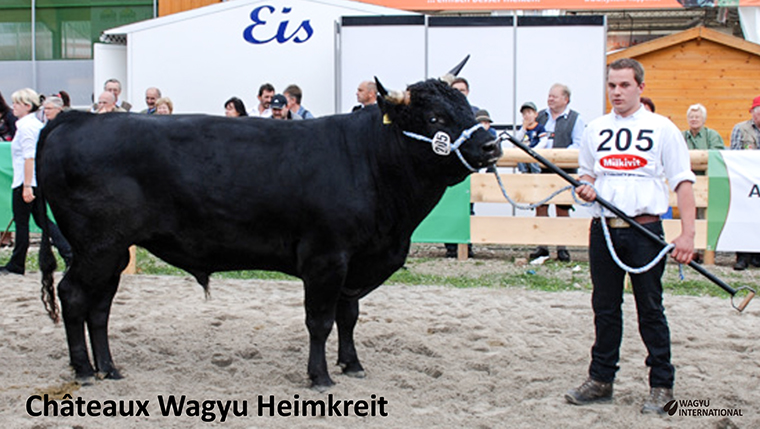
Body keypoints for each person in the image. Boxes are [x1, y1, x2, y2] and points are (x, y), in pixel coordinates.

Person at [567, 58, 696, 415]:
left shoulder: (662, 128)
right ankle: (601, 380)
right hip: (605, 230)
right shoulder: (595, 129)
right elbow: (587, 175)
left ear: (640, 87)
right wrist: (586, 189)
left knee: (650, 309)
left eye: (624, 85)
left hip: (646, 231)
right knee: (604, 307)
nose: (617, 92)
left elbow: (683, 181)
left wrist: (687, 234)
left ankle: (661, 386)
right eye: (612, 85)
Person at [0, 88, 72, 275]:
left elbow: (29, 157)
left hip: (27, 181)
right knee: (43, 221)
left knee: (25, 224)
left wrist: (26, 186)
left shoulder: (27, 127)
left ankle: (17, 263)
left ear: (27, 105)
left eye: (17, 103)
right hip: (31, 181)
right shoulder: (30, 125)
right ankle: (68, 254)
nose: (13, 106)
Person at [529, 83, 585, 262]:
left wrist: (558, 156)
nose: (550, 99)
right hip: (541, 170)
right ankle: (542, 246)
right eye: (549, 95)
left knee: (562, 208)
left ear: (566, 99)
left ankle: (562, 247)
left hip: (565, 171)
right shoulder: (541, 117)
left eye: (554, 96)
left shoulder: (576, 119)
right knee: (541, 207)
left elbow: (578, 144)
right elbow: (529, 136)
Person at [729, 95, 760, 270]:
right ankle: (742, 256)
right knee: (743, 217)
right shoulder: (740, 129)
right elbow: (734, 154)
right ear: (752, 113)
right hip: (744, 181)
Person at [514, 101, 548, 174]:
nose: (527, 116)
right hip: (524, 152)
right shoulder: (522, 129)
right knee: (520, 157)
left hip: (534, 153)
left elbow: (544, 141)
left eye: (529, 112)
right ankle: (524, 172)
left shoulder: (539, 127)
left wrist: (534, 150)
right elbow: (516, 140)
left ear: (536, 114)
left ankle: (535, 173)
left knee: (533, 161)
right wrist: (523, 128)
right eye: (524, 114)